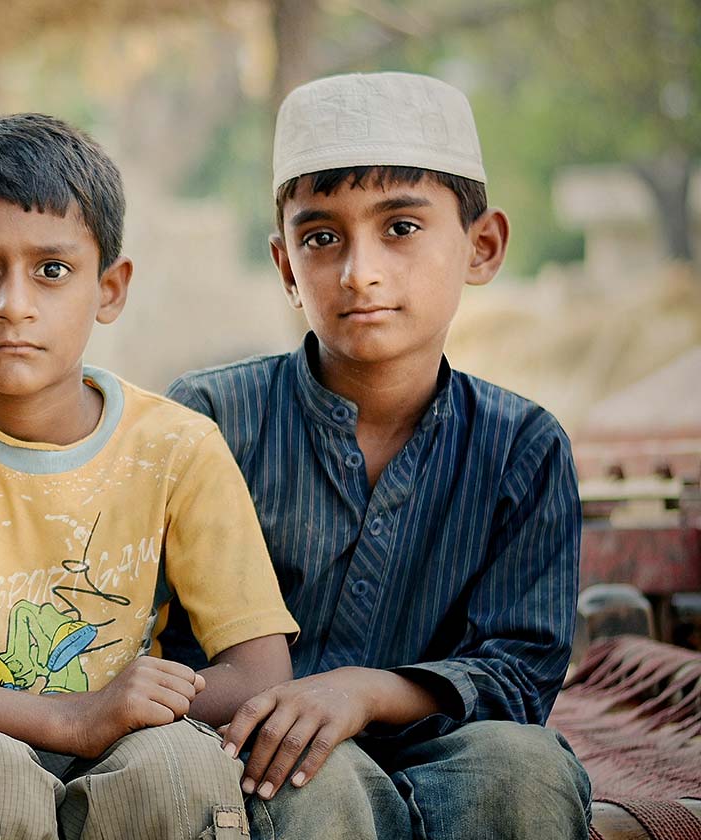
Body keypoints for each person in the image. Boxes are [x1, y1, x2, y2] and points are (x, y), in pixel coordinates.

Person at [0, 113, 301, 840]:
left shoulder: (177, 447)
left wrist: (116, 712)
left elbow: (260, 675)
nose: (14, 303)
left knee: (176, 766)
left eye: (52, 270)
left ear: (109, 288)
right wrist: (67, 718)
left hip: (128, 749)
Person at [161, 72, 592, 839]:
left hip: (450, 748)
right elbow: (146, 631)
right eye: (322, 236)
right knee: (309, 779)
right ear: (287, 264)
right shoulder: (208, 420)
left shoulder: (522, 446)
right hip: (253, 752)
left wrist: (369, 691)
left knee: (528, 769)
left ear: (482, 246)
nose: (360, 271)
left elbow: (522, 677)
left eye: (400, 227)